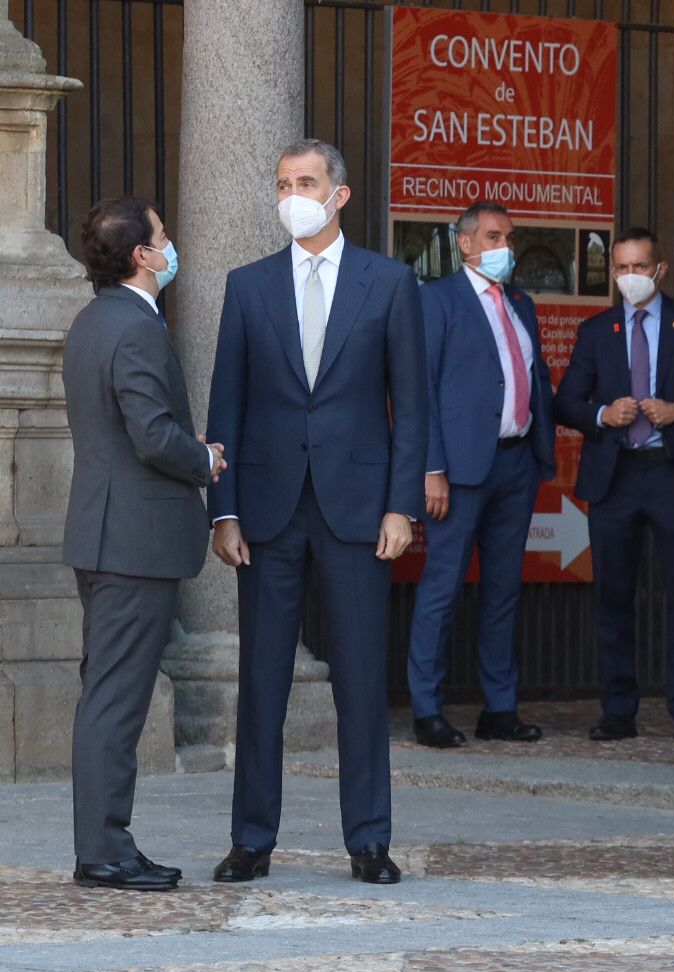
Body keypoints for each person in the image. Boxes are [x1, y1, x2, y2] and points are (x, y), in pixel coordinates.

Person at [206, 139, 427, 884]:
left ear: (340, 193)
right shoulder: (247, 285)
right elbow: (224, 407)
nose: (291, 194)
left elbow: (413, 407)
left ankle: (369, 840)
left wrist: (402, 507)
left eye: (305, 182)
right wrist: (223, 513)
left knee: (362, 681)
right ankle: (251, 839)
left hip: (359, 509)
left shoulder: (391, 283)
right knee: (262, 681)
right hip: (266, 510)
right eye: (282, 183)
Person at [63, 197, 225, 891]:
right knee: (116, 701)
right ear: (142, 256)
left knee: (105, 695)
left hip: (105, 535)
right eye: (162, 236)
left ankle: (104, 843)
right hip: (134, 540)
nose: (171, 244)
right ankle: (105, 851)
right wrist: (206, 459)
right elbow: (152, 434)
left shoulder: (93, 321)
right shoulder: (136, 328)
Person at [554, 228, 674, 743]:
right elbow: (565, 400)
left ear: (661, 269)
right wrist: (601, 413)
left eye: (639, 267)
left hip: (672, 473)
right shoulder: (596, 331)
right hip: (615, 477)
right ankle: (618, 710)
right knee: (614, 596)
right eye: (620, 268)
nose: (630, 277)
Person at [407, 202, 555, 749]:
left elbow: (531, 379)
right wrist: (432, 469)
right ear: (465, 243)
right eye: (494, 236)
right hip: (460, 470)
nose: (505, 248)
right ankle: (427, 708)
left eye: (510, 238)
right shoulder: (436, 300)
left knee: (503, 591)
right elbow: (419, 390)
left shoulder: (521, 302)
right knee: (442, 588)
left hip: (516, 464)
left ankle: (499, 707)